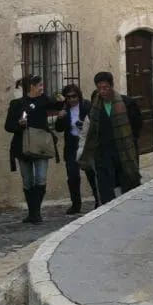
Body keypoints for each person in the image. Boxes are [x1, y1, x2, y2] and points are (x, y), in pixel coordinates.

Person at [3, 75, 62, 224]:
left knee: (41, 178)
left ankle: (36, 212)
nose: (42, 88)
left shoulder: (44, 100)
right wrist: (19, 124)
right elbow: (8, 126)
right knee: (28, 181)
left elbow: (58, 106)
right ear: (31, 87)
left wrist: (62, 100)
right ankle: (32, 212)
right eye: (40, 85)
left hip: (41, 146)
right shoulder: (17, 104)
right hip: (23, 147)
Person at [79, 72, 142, 205]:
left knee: (127, 183)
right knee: (105, 187)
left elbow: (136, 127)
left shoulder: (127, 103)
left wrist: (129, 144)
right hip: (103, 152)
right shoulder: (95, 107)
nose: (103, 91)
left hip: (123, 151)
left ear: (111, 86)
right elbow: (92, 131)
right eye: (99, 88)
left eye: (105, 88)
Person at [54, 83, 98, 214]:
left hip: (86, 144)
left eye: (74, 96)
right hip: (72, 145)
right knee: (72, 176)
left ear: (78, 95)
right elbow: (59, 128)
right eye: (68, 97)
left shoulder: (86, 106)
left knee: (91, 174)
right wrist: (60, 118)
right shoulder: (65, 109)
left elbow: (94, 123)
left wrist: (84, 126)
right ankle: (76, 204)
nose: (72, 99)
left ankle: (98, 200)